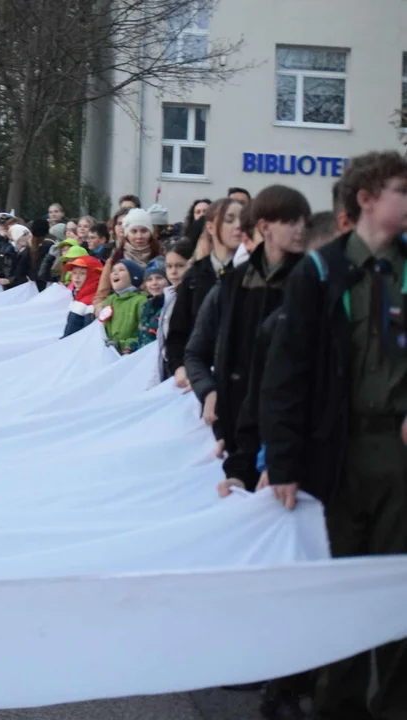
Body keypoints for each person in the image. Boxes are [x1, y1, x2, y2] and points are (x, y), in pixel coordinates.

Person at [261, 151, 407, 720]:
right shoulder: (320, 273)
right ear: (367, 198)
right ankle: (338, 706)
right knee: (343, 592)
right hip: (337, 455)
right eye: (401, 189)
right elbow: (286, 375)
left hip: (398, 457)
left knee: (399, 591)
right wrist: (285, 461)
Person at [185, 185, 310, 484]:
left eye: (305, 221)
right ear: (264, 227)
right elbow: (197, 351)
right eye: (292, 221)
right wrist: (209, 391)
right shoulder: (233, 283)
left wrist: (278, 458)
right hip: (239, 438)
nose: (301, 230)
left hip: (290, 447)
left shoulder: (309, 281)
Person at [165, 198, 242, 389]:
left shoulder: (253, 274)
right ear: (210, 227)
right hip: (197, 377)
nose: (239, 226)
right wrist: (180, 367)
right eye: (229, 219)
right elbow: (178, 332)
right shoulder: (195, 275)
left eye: (243, 219)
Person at [93, 207, 162, 306]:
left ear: (151, 233)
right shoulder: (115, 259)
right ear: (127, 234)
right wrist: (100, 309)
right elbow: (100, 296)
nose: (139, 236)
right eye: (134, 231)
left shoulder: (159, 259)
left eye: (144, 231)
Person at [158, 239, 193, 381]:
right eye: (169, 266)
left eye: (180, 266)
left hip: (187, 369)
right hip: (170, 365)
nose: (173, 272)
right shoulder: (169, 296)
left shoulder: (193, 296)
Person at [97, 259, 147, 354]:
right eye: (113, 271)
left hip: (129, 356)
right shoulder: (110, 300)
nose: (115, 273)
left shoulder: (141, 301)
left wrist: (122, 345)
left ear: (133, 276)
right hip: (109, 353)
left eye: (121, 270)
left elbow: (144, 335)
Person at [61, 255, 104, 337]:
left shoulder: (92, 302)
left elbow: (86, 335)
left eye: (82, 273)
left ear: (93, 276)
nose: (77, 277)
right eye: (74, 273)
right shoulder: (80, 295)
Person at [137, 263, 169, 349]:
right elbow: (141, 338)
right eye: (149, 280)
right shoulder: (146, 306)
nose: (154, 283)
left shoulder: (170, 305)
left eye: (159, 278)